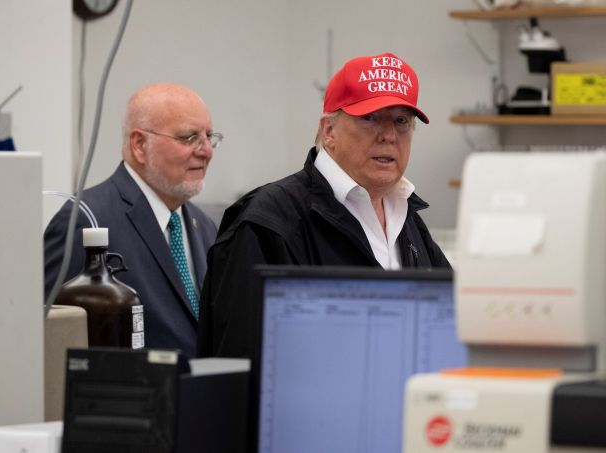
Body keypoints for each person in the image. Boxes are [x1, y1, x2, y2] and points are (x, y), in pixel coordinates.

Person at [198, 52, 450, 358]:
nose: (388, 136)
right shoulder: (266, 224)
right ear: (329, 131)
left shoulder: (408, 221)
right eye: (369, 118)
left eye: (401, 121)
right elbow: (239, 369)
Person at [44, 83, 221, 358]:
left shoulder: (204, 226)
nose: (206, 150)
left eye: (209, 136)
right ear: (140, 145)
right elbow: (50, 335)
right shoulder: (85, 219)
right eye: (189, 138)